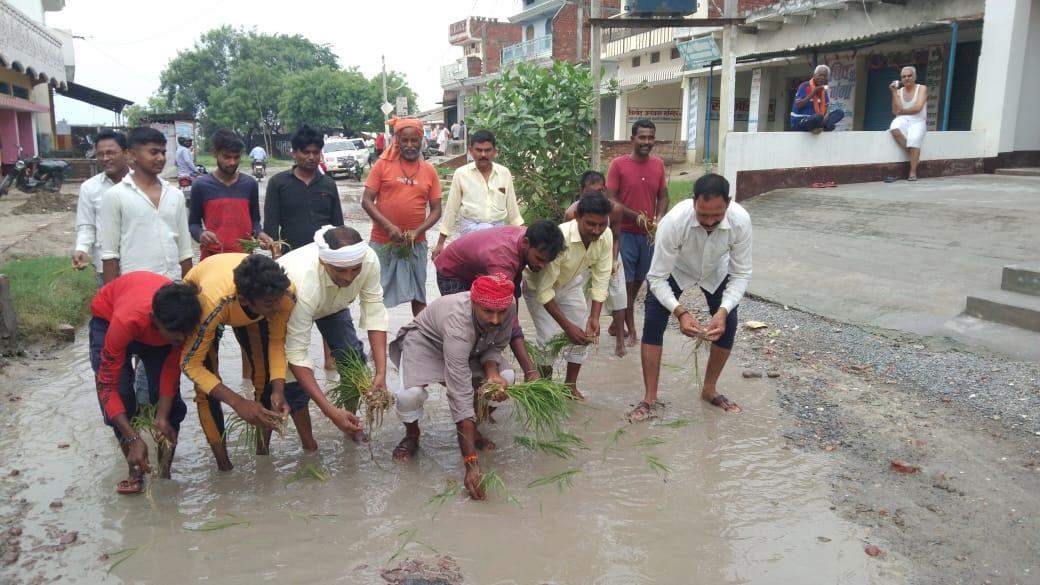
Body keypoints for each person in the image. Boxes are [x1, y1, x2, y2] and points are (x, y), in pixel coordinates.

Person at [628, 173, 752, 422]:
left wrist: (723, 310)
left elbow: (741, 274)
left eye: (716, 216)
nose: (709, 222)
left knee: (729, 323)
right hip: (677, 269)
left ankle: (709, 389)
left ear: (728, 204)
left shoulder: (741, 221)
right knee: (654, 318)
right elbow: (657, 278)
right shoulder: (674, 221)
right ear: (694, 201)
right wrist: (680, 312)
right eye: (703, 214)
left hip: (716, 269)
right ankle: (650, 397)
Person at [389, 274, 517, 500]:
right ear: (474, 303)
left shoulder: (508, 305)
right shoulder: (458, 321)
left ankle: (474, 426)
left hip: (472, 348)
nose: (496, 320)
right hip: (427, 343)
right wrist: (471, 464)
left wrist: (492, 374)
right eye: (488, 312)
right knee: (410, 394)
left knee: (507, 376)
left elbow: (496, 343)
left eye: (501, 313)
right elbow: (459, 393)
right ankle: (412, 435)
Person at [181, 254, 298, 471]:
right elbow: (190, 364)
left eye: (279, 299)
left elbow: (277, 341)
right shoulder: (210, 303)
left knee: (264, 380)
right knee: (206, 388)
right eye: (270, 304)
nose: (278, 308)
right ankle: (224, 466)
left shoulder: (285, 294)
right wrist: (237, 402)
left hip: (249, 306)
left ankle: (263, 457)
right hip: (209, 298)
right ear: (245, 301)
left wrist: (279, 388)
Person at [89, 272, 201, 493]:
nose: (181, 342)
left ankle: (165, 473)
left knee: (169, 406)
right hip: (108, 319)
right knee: (122, 395)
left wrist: (161, 416)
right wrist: (133, 437)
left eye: (184, 337)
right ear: (154, 319)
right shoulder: (125, 321)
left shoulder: (182, 324)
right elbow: (107, 387)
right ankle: (135, 469)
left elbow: (170, 373)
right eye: (176, 338)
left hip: (157, 334)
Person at [264, 125, 362, 375]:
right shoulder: (278, 184)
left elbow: (339, 226)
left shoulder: (328, 184)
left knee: (335, 318)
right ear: (294, 154)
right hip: (293, 267)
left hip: (326, 264)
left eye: (316, 152)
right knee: (290, 326)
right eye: (305, 152)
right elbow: (270, 226)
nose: (311, 157)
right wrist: (274, 253)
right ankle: (291, 376)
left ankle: (333, 364)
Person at [280, 225, 388, 444]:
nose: (348, 278)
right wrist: (329, 411)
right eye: (340, 270)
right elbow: (297, 355)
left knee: (353, 360)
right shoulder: (301, 283)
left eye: (354, 269)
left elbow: (375, 312)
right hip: (287, 304)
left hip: (334, 306)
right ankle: (309, 445)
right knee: (292, 381)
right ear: (323, 262)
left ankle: (351, 423)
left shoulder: (368, 261)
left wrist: (381, 373)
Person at [434, 221, 565, 382]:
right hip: (453, 273)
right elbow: (511, 319)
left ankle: (490, 369)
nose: (542, 265)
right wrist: (529, 370)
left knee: (494, 324)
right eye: (539, 259)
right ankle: (468, 378)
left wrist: (508, 330)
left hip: (479, 269)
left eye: (547, 261)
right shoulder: (502, 259)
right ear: (526, 244)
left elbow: (511, 309)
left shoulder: (527, 237)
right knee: (470, 326)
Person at [524, 193, 613, 399]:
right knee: (547, 338)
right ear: (577, 216)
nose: (596, 230)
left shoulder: (605, 236)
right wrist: (566, 327)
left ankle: (569, 387)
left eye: (601, 225)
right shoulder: (560, 239)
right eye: (591, 224)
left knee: (583, 333)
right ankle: (545, 389)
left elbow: (601, 275)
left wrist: (595, 317)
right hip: (538, 287)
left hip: (570, 282)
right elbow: (545, 291)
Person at [361, 117, 443, 316]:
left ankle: (422, 341)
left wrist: (417, 231)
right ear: (397, 140)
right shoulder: (382, 165)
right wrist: (388, 227)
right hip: (382, 242)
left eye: (414, 140)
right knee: (377, 296)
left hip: (416, 244)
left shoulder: (429, 171)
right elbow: (366, 200)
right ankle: (378, 346)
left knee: (418, 296)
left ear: (421, 140)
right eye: (404, 140)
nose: (409, 145)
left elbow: (437, 210)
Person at [99, 127, 193, 284]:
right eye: (153, 152)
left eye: (163, 152)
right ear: (132, 154)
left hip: (173, 285)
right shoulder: (115, 195)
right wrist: (112, 299)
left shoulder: (174, 194)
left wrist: (189, 290)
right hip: (135, 287)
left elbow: (185, 250)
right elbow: (110, 255)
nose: (161, 158)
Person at [605, 119, 669, 347]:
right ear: (632, 139)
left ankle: (616, 322)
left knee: (639, 282)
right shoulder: (618, 165)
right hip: (624, 233)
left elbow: (663, 196)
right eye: (642, 137)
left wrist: (659, 218)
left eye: (650, 137)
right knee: (626, 284)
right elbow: (610, 199)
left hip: (649, 236)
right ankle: (630, 329)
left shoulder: (658, 165)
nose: (647, 142)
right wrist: (637, 217)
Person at [564, 171, 628, 357]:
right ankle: (580, 329)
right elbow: (568, 249)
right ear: (582, 191)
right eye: (590, 192)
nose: (595, 195)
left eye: (600, 191)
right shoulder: (571, 214)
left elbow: (614, 236)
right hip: (580, 261)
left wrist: (614, 260)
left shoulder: (613, 210)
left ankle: (620, 341)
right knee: (579, 300)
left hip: (606, 253)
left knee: (617, 294)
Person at [432, 130, 523, 258]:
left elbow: (513, 210)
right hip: (470, 228)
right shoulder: (461, 174)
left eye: (487, 150)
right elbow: (451, 209)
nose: (483, 154)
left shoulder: (504, 173)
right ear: (471, 150)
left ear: (494, 151)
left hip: (498, 229)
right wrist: (440, 243)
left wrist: (524, 236)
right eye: (479, 150)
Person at [189, 129, 271, 260]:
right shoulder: (200, 185)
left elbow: (255, 220)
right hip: (213, 259)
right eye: (226, 156)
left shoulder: (250, 184)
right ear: (215, 153)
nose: (232, 162)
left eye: (236, 157)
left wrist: (259, 234)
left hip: (244, 259)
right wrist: (200, 234)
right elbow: (193, 224)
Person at [73, 130, 129, 285]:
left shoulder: (141, 183)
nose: (105, 158)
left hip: (139, 265)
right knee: (110, 307)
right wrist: (82, 249)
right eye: (100, 154)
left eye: (111, 153)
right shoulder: (89, 188)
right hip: (105, 267)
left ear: (125, 153)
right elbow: (87, 225)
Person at [889, 66, 928, 181]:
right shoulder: (899, 91)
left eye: (909, 76)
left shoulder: (922, 88)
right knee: (894, 128)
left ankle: (913, 171)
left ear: (915, 76)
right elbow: (895, 110)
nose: (906, 78)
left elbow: (918, 108)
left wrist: (901, 111)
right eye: (904, 76)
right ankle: (914, 156)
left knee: (914, 140)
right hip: (903, 119)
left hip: (918, 120)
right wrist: (894, 92)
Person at [790, 65, 844, 133]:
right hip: (801, 121)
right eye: (820, 75)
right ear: (814, 75)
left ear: (827, 78)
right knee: (818, 118)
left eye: (825, 76)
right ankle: (823, 127)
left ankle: (820, 127)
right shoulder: (805, 86)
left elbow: (826, 108)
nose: (822, 78)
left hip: (817, 120)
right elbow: (798, 105)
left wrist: (825, 117)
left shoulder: (823, 90)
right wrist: (813, 92)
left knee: (840, 113)